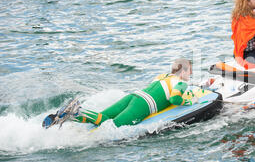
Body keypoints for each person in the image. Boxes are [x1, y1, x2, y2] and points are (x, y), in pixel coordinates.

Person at [43, 59, 198, 129]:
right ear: (182, 70)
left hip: (133, 96)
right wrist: (190, 102)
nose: (190, 73)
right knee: (111, 125)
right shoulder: (181, 82)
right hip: (143, 105)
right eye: (189, 70)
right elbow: (175, 98)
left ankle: (65, 117)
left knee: (101, 116)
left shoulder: (162, 76)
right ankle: (77, 112)